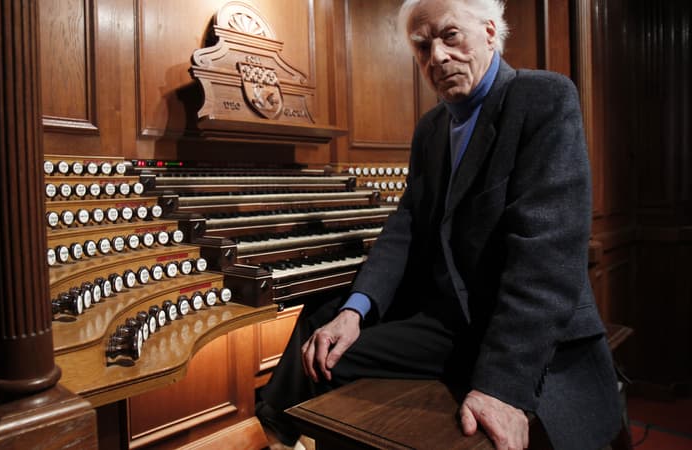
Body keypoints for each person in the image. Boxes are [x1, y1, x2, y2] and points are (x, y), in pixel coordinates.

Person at [256, 0, 623, 449]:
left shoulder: (541, 98)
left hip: (514, 327)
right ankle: (277, 431)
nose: (438, 57)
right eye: (423, 46)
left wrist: (501, 389)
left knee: (327, 356)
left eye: (450, 36)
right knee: (323, 333)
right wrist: (355, 311)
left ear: (490, 32)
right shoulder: (431, 129)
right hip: (451, 318)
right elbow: (406, 224)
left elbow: (545, 257)